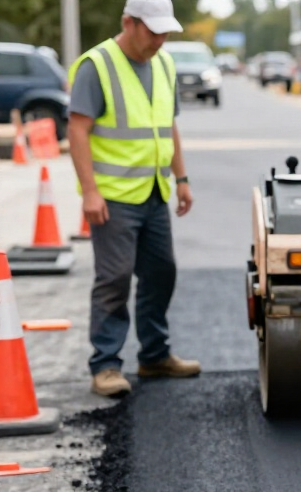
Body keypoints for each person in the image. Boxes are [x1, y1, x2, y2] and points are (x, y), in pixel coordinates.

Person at [68, 0, 199, 399]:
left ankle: (155, 356)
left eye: (165, 32)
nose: (160, 39)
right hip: (113, 197)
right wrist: (90, 191)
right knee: (115, 278)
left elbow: (168, 125)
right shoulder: (98, 66)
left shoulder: (163, 63)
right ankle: (106, 365)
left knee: (162, 273)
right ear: (128, 22)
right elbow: (77, 130)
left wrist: (182, 178)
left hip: (154, 192)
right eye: (153, 30)